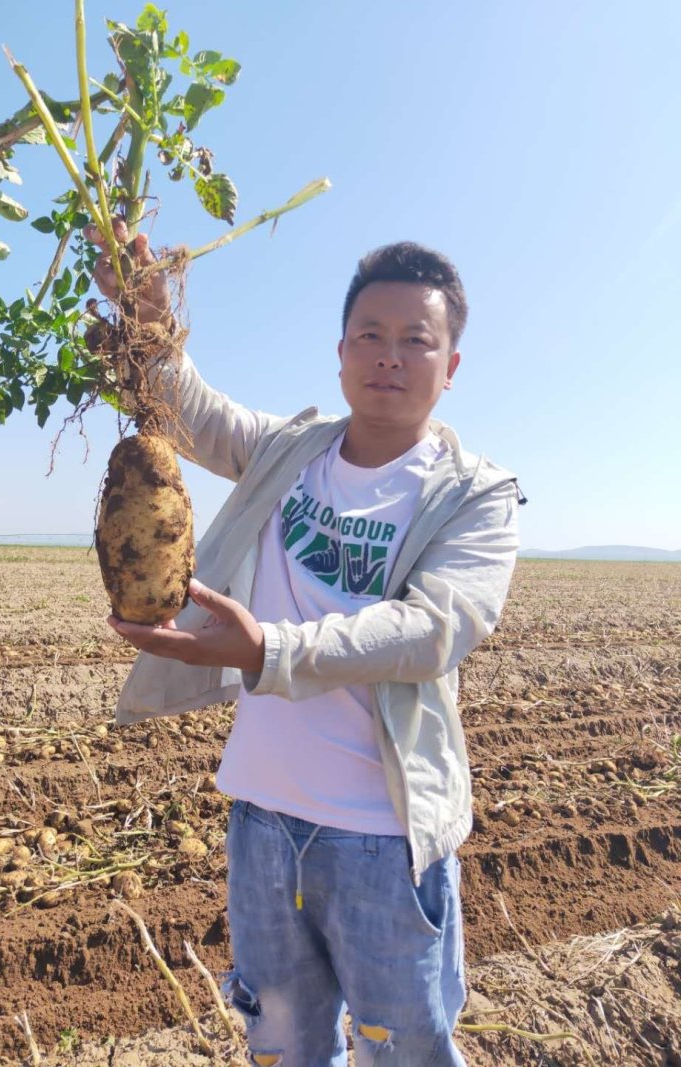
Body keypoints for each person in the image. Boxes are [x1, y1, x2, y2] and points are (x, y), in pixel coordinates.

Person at [87, 222, 521, 1066]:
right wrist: (146, 322)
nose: (388, 356)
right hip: (261, 821)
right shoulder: (295, 451)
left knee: (404, 1051)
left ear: (450, 366)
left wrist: (266, 652)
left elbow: (432, 630)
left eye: (415, 340)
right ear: (341, 351)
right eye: (370, 336)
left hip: (383, 840)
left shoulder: (475, 496)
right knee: (280, 1047)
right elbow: (194, 415)